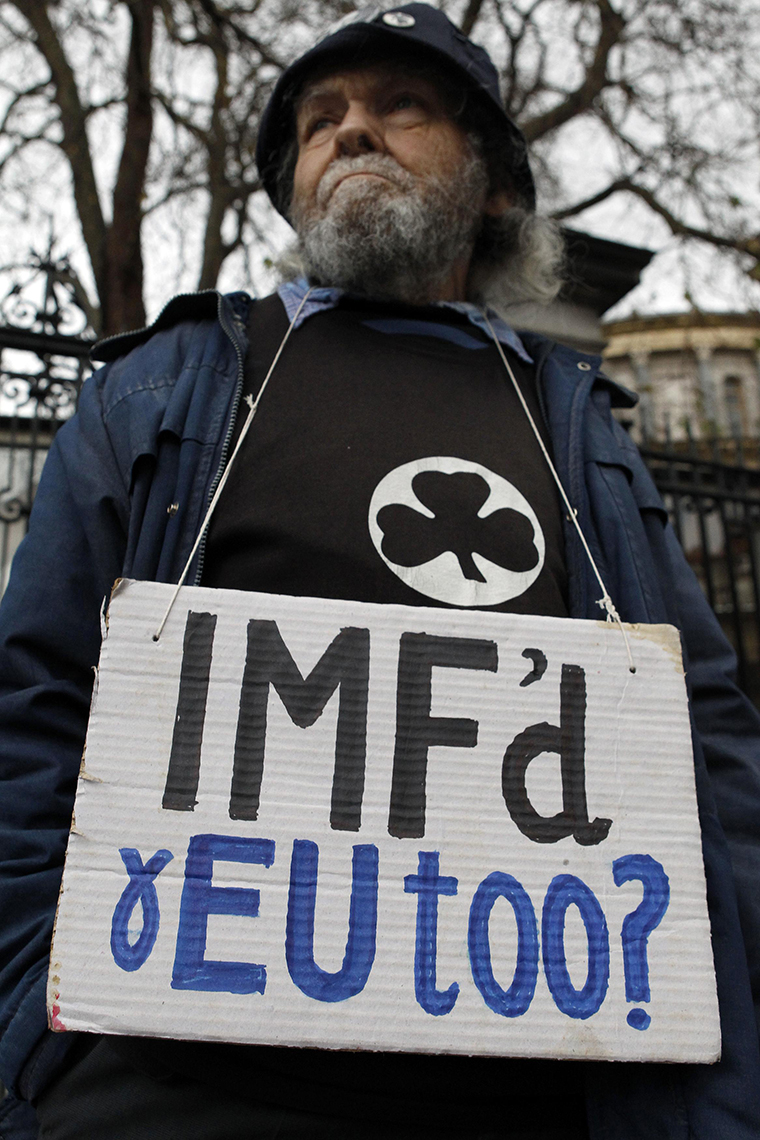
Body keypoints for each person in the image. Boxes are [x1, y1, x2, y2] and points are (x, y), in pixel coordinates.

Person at [1, 5, 760, 1138]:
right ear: (294, 186)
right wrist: (30, 1025)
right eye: (319, 120)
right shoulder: (169, 388)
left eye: (400, 107)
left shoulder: (578, 423)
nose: (351, 131)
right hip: (166, 1096)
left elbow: (705, 736)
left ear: (495, 183)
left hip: (553, 1097)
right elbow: (35, 705)